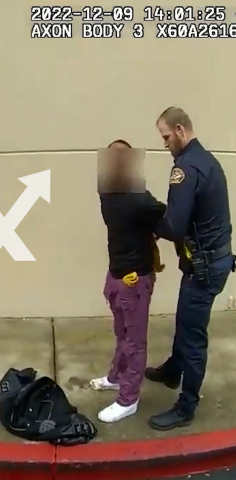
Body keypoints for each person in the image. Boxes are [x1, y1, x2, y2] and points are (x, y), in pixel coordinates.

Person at [145, 106, 234, 431]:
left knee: (193, 335)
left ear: (181, 130)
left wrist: (148, 218)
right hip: (215, 260)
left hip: (205, 267)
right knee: (185, 321)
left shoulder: (185, 168)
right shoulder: (208, 161)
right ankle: (173, 370)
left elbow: (174, 226)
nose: (165, 144)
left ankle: (186, 406)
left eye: (166, 137)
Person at [89, 139, 167, 423]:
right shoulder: (124, 195)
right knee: (123, 334)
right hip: (119, 276)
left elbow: (166, 220)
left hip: (134, 279)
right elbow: (161, 215)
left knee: (133, 340)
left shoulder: (122, 195)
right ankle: (117, 377)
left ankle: (128, 399)